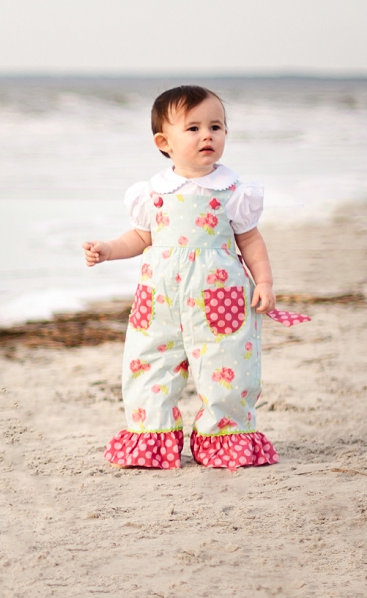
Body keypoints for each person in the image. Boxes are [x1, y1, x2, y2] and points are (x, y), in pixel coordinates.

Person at [82, 85, 307, 470]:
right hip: (159, 300)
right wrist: (108, 249)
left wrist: (265, 283)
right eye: (194, 128)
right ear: (163, 141)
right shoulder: (152, 192)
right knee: (149, 361)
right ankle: (150, 435)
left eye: (216, 127)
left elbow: (250, 240)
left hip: (222, 296)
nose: (208, 135)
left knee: (227, 364)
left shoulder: (234, 191)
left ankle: (226, 436)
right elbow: (140, 237)